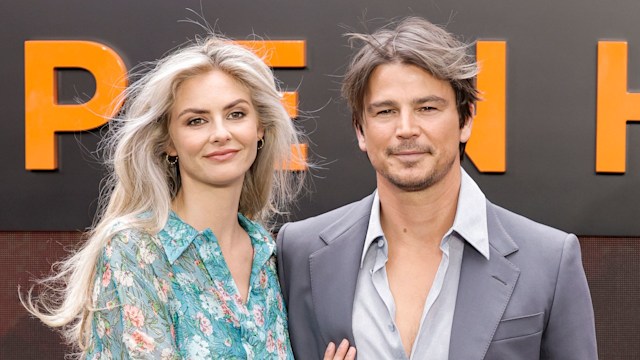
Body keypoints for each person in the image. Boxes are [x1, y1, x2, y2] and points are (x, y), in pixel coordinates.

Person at [277, 17, 598, 359]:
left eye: (427, 108)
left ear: (466, 119)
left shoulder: (549, 260)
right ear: (360, 130)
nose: (406, 129)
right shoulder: (299, 252)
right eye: (385, 111)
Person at [21, 35, 334, 359]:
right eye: (196, 120)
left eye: (236, 114)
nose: (220, 133)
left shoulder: (266, 255)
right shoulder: (135, 250)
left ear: (261, 128)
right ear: (169, 142)